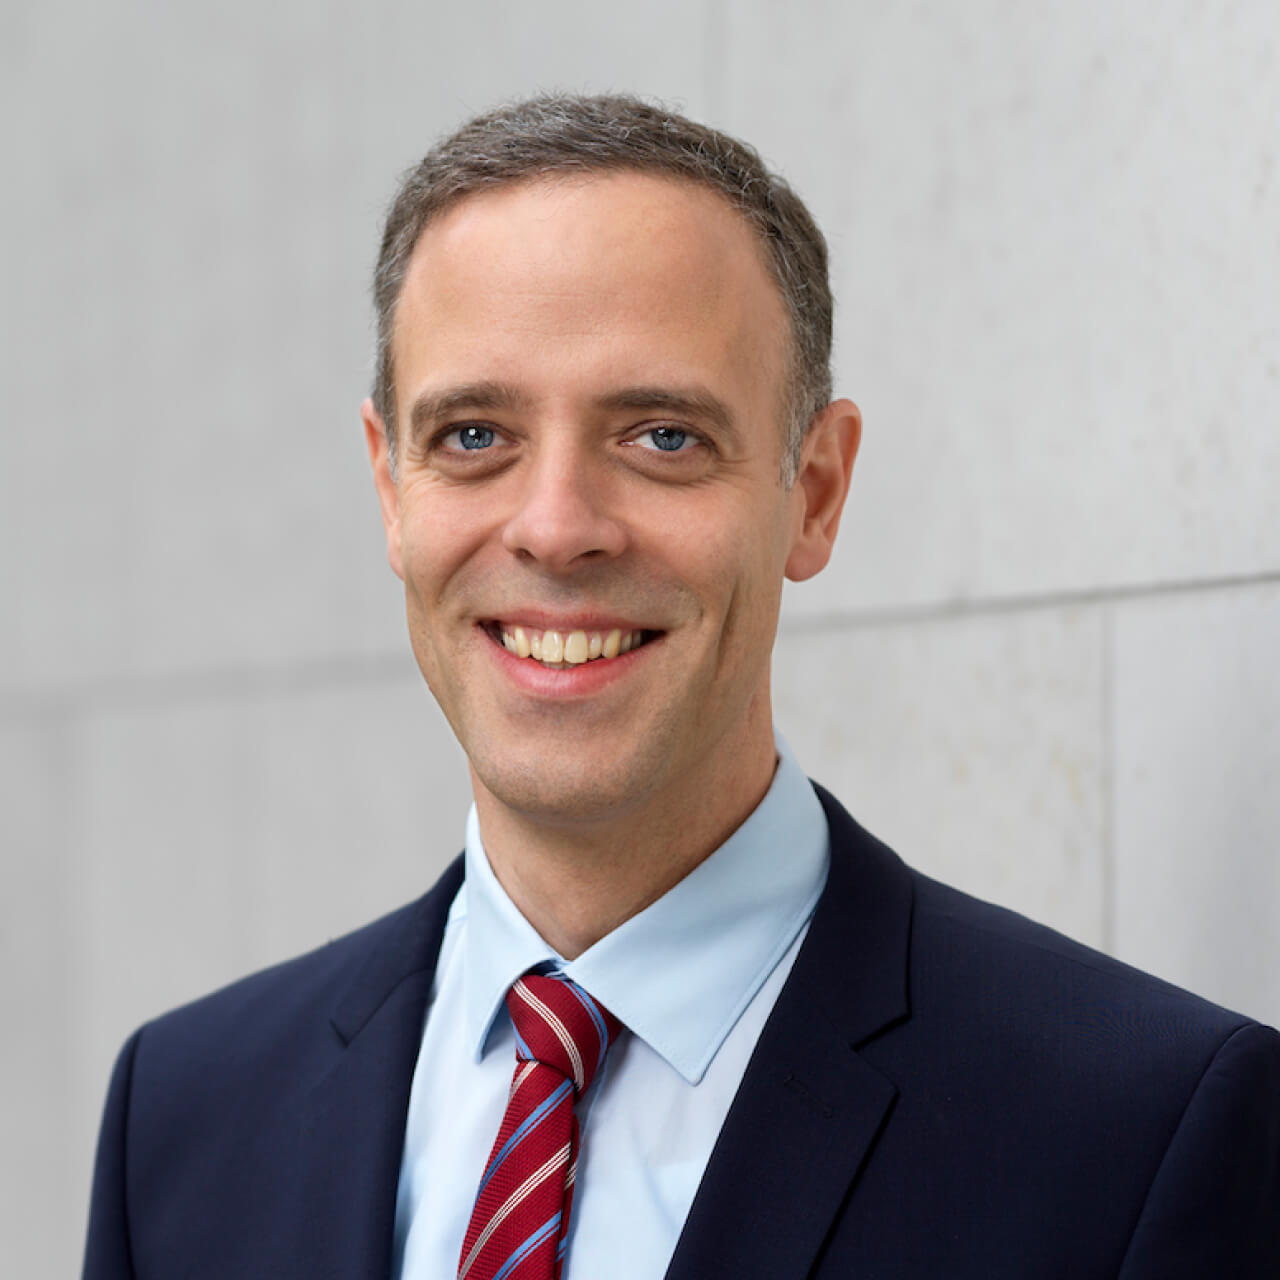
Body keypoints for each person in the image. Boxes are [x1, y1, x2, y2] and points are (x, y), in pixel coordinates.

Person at [83, 94, 1279, 1280]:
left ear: (812, 492)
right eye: (471, 436)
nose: (555, 529)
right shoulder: (182, 1119)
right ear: (389, 488)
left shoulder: (1140, 1131)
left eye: (661, 435)